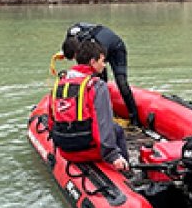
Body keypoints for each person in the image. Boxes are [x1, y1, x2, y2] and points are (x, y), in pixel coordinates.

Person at [56, 39, 130, 172]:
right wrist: (113, 156)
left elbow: (52, 120)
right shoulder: (97, 86)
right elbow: (102, 124)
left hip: (65, 150)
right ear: (92, 62)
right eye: (102, 61)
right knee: (117, 129)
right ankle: (126, 171)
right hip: (88, 150)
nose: (104, 65)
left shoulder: (61, 83)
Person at [61, 22, 140, 125]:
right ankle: (105, 112)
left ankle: (134, 117)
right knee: (100, 81)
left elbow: (94, 67)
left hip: (115, 48)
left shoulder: (91, 46)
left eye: (75, 57)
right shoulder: (71, 36)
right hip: (98, 48)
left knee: (121, 82)